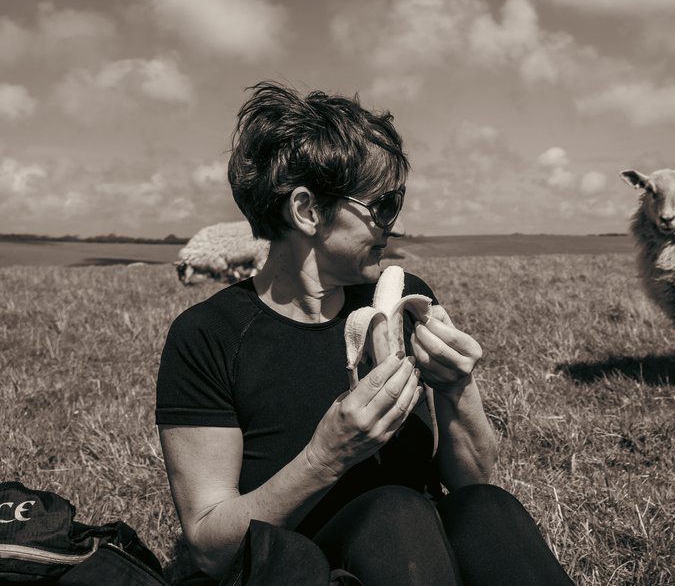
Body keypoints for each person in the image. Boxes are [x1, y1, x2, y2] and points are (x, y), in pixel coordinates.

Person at [156, 81, 575, 585]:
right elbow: (208, 546)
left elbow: (472, 480)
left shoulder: (405, 301)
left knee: (489, 507)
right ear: (308, 211)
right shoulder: (209, 336)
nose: (392, 226)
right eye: (383, 206)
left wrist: (457, 389)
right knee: (394, 511)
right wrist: (325, 456)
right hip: (301, 565)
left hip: (424, 555)